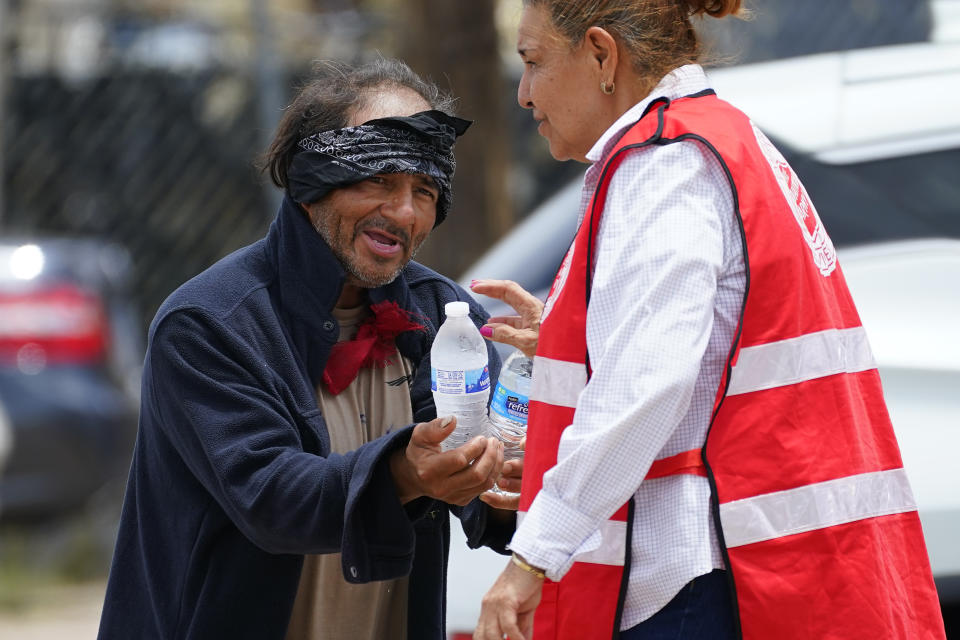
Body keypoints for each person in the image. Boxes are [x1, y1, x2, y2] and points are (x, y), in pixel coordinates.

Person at [471, 2, 946, 640]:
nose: (524, 94)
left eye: (533, 63)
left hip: (691, 575)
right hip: (745, 564)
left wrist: (533, 556)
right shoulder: (716, 137)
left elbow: (647, 387)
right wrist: (572, 337)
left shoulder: (666, 163)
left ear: (602, 54)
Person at [97, 58, 521, 640]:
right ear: (310, 180)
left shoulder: (441, 317)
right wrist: (402, 470)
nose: (403, 211)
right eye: (378, 179)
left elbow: (480, 487)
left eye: (424, 190)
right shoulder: (208, 324)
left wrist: (509, 479)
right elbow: (270, 496)